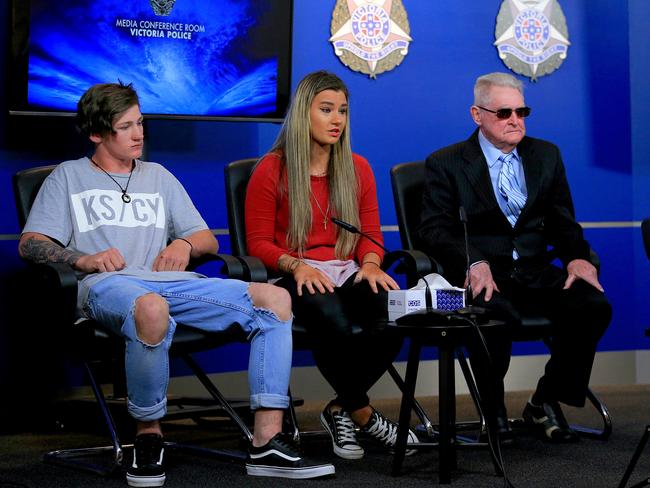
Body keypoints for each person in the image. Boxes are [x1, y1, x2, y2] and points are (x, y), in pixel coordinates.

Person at [18, 82, 334, 486]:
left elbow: (206, 238)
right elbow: (31, 244)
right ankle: (149, 437)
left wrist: (185, 243)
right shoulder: (69, 176)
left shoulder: (158, 176)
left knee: (274, 298)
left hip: (173, 283)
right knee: (151, 307)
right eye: (126, 126)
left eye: (141, 123)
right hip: (108, 286)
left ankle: (267, 440)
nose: (139, 134)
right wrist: (82, 258)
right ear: (97, 133)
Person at [416, 72, 611, 443]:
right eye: (504, 112)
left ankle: (544, 400)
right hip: (487, 277)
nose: (515, 120)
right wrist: (474, 261)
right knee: (496, 315)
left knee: (593, 305)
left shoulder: (545, 155)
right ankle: (494, 411)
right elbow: (434, 229)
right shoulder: (447, 163)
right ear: (477, 114)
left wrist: (576, 257)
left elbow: (562, 219)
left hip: (536, 272)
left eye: (521, 111)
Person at [245, 70, 419, 460]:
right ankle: (363, 412)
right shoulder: (271, 169)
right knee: (333, 318)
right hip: (292, 273)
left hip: (347, 269)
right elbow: (257, 243)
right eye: (326, 110)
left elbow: (370, 235)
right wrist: (297, 266)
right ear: (303, 113)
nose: (337, 119)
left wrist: (372, 264)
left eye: (342, 110)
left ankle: (340, 407)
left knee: (397, 313)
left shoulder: (357, 168)